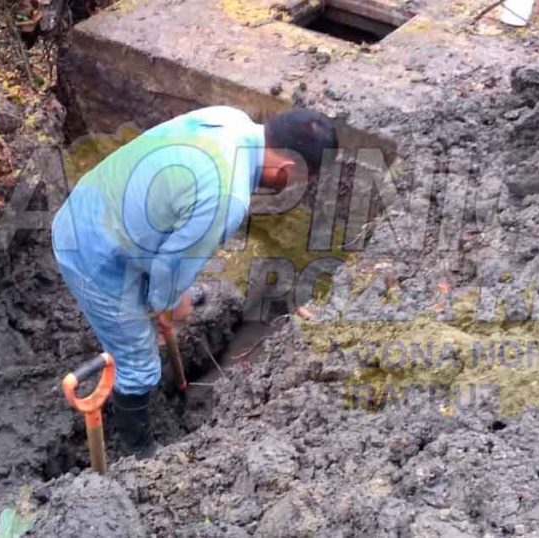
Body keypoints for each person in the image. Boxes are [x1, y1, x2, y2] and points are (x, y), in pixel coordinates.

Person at [52, 106, 338, 458]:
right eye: (299, 182)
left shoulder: (229, 119)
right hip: (93, 255)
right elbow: (169, 268)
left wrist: (166, 297)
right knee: (140, 366)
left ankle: (156, 303)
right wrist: (171, 303)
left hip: (98, 207)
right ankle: (138, 451)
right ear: (289, 169)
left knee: (167, 296)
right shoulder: (227, 195)